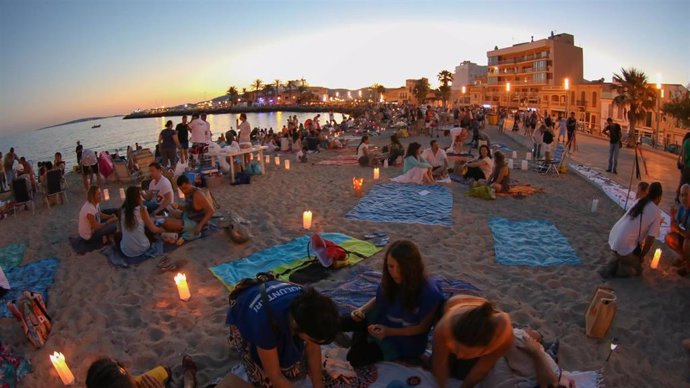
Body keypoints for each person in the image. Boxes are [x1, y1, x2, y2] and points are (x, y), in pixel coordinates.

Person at [340, 240, 444, 367]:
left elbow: (422, 328)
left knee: (354, 358)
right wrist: (362, 309)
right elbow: (379, 298)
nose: (395, 273)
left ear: (412, 267)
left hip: (403, 341)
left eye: (401, 267)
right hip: (383, 321)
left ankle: (362, 333)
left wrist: (389, 332)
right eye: (390, 266)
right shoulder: (390, 281)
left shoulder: (428, 293)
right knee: (342, 321)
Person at [226, 280, 339, 388]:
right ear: (296, 324)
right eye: (312, 338)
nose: (314, 342)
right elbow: (274, 375)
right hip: (244, 315)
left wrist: (318, 384)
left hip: (275, 309)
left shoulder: (313, 306)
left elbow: (313, 347)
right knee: (264, 381)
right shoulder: (265, 323)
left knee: (296, 370)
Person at [432, 295, 514, 388]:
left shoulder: (504, 339)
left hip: (480, 313)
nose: (460, 356)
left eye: (467, 353)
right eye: (457, 349)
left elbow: (480, 371)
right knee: (437, 369)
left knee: (463, 374)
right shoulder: (443, 329)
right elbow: (439, 365)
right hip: (454, 304)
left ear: (486, 349)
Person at [601, 182, 663, 278]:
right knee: (638, 269)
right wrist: (641, 257)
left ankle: (618, 258)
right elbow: (650, 240)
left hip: (614, 240)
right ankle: (617, 266)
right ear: (659, 197)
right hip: (622, 246)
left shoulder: (639, 201)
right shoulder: (656, 212)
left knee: (629, 254)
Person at [120, 186, 165, 258]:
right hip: (142, 247)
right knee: (151, 230)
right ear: (138, 197)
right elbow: (154, 229)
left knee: (119, 236)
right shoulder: (142, 210)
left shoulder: (122, 210)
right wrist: (164, 229)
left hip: (126, 250)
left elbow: (122, 230)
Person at [666, 183, 690, 276]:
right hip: (684, 236)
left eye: (686, 195)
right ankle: (683, 257)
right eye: (682, 195)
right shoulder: (682, 208)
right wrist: (672, 216)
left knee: (687, 243)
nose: (683, 198)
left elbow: (688, 235)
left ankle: (688, 267)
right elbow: (673, 228)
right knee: (669, 237)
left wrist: (678, 230)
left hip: (688, 239)